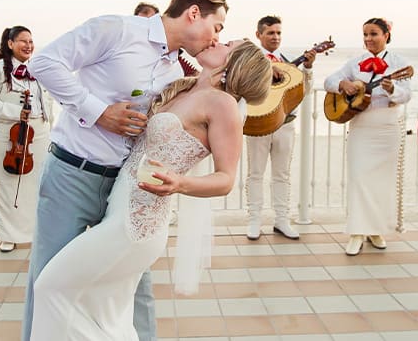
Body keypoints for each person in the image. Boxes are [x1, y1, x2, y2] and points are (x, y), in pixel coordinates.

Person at [23, 0, 229, 341]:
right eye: (217, 27)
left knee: (135, 290)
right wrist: (98, 111)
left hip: (129, 191)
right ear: (194, 13)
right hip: (73, 173)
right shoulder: (115, 29)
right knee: (49, 278)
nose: (215, 38)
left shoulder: (177, 75)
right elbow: (44, 62)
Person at [31, 40, 271, 340]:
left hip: (137, 226)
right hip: (119, 212)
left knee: (50, 287)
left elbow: (226, 179)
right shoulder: (184, 87)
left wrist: (180, 183)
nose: (216, 40)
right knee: (105, 314)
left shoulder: (222, 105)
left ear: (236, 64)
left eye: (227, 44)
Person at [322, 18, 411, 255]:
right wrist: (343, 84)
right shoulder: (356, 62)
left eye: (374, 34)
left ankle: (376, 230)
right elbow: (328, 81)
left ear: (386, 36)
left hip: (387, 126)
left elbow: (406, 96)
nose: (369, 39)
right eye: (365, 35)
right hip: (362, 126)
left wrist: (394, 90)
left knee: (382, 181)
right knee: (359, 178)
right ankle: (356, 232)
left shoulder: (399, 63)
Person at [244, 15, 316, 240]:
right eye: (270, 33)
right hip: (258, 122)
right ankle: (254, 220)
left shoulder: (286, 61)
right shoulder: (250, 61)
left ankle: (282, 220)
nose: (275, 37)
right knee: (255, 173)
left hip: (285, 124)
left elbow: (303, 91)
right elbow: (241, 86)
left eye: (278, 33)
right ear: (259, 35)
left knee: (282, 174)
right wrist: (265, 71)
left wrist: (308, 69)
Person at [0, 26, 49, 253]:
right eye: (23, 41)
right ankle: (8, 236)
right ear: (10, 44)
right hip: (10, 135)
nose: (28, 45)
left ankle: (34, 232)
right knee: (8, 185)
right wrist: (14, 112)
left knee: (35, 186)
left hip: (38, 135)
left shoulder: (36, 68)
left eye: (31, 41)